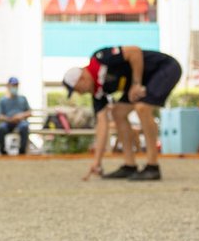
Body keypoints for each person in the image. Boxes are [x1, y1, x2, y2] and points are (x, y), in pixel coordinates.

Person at [66, 45, 182, 181]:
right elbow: (102, 126)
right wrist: (97, 162)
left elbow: (134, 52)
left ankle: (152, 166)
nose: (80, 94)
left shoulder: (101, 59)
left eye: (77, 90)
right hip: (143, 81)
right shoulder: (98, 92)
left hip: (165, 68)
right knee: (118, 113)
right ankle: (129, 165)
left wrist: (136, 83)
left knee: (142, 107)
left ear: (82, 79)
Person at [0, 76, 31, 156]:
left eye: (16, 85)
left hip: (20, 122)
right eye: (13, 85)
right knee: (1, 128)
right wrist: (9, 119)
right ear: (8, 86)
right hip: (8, 123)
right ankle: (3, 151)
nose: (14, 87)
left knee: (24, 126)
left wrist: (21, 115)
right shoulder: (2, 100)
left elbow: (29, 112)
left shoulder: (23, 98)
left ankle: (22, 151)